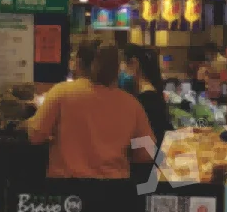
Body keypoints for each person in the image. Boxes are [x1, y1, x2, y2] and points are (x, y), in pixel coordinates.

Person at [25, 45, 154, 180]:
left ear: (78, 63)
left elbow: (35, 136)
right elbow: (147, 153)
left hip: (67, 187)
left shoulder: (62, 92)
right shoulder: (131, 104)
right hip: (114, 187)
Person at [121, 43, 172, 149]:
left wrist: (125, 145)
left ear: (134, 63)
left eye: (123, 63)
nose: (121, 69)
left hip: (152, 157)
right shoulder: (146, 93)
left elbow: (151, 140)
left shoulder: (148, 98)